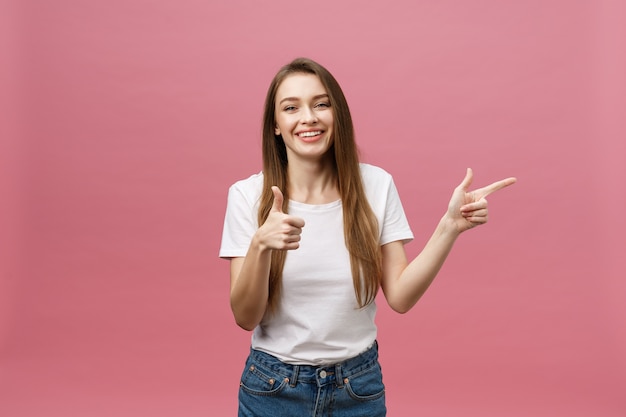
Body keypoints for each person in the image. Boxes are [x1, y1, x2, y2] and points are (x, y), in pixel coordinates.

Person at [219, 57, 516, 417]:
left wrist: (450, 227)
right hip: (273, 389)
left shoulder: (375, 185)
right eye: (291, 107)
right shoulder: (248, 195)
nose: (308, 117)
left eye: (321, 104)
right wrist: (261, 245)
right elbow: (245, 317)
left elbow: (401, 297)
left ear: (337, 115)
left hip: (356, 389)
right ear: (277, 126)